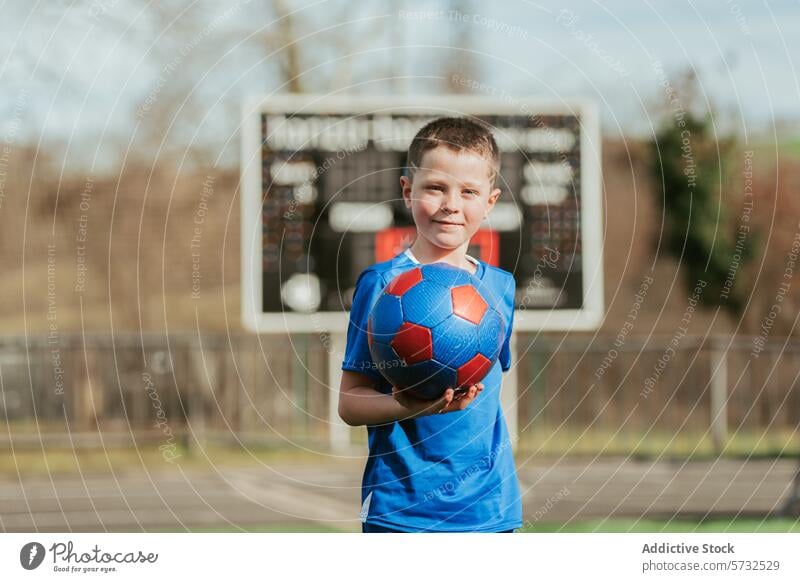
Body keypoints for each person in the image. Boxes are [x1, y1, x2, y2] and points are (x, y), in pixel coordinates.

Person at [338, 116, 521, 533]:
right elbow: (350, 403)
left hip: (490, 510)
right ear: (408, 191)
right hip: (403, 511)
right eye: (435, 187)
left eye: (469, 191)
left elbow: (486, 400)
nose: (451, 204)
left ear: (490, 202)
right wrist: (412, 405)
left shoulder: (500, 288)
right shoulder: (382, 285)